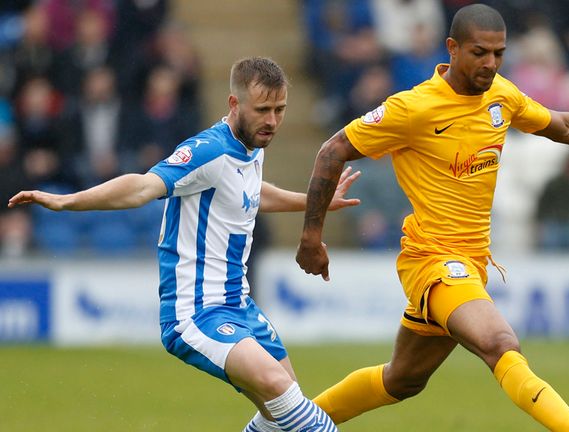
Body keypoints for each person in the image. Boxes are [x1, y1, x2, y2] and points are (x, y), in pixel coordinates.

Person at [295, 5, 569, 432]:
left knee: (403, 379)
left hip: (472, 264)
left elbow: (564, 126)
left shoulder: (500, 95)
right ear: (452, 48)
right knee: (500, 344)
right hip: (434, 262)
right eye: (479, 52)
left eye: (499, 53)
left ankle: (289, 423)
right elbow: (332, 150)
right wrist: (311, 238)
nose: (490, 63)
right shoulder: (412, 109)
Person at [9, 57, 360, 432]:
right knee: (283, 392)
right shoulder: (208, 151)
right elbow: (143, 186)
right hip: (196, 313)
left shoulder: (253, 145)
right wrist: (67, 201)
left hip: (238, 304)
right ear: (234, 104)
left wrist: (315, 199)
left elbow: (252, 193)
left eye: (280, 109)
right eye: (262, 110)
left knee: (281, 411)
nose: (272, 121)